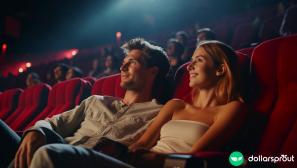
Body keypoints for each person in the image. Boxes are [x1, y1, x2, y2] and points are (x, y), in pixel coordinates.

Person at [27, 40, 247, 168]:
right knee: (42, 148)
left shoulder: (230, 109)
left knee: (49, 154)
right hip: (121, 158)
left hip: (147, 164)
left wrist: (135, 156)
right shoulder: (175, 105)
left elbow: (193, 160)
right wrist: (37, 130)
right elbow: (140, 145)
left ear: (220, 69)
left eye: (198, 60)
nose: (189, 66)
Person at [0, 38, 170, 168]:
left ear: (153, 71)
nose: (122, 68)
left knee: (49, 153)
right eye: (123, 63)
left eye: (132, 62)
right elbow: (54, 123)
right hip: (59, 149)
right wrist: (37, 131)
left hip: (90, 161)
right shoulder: (95, 100)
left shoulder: (161, 113)